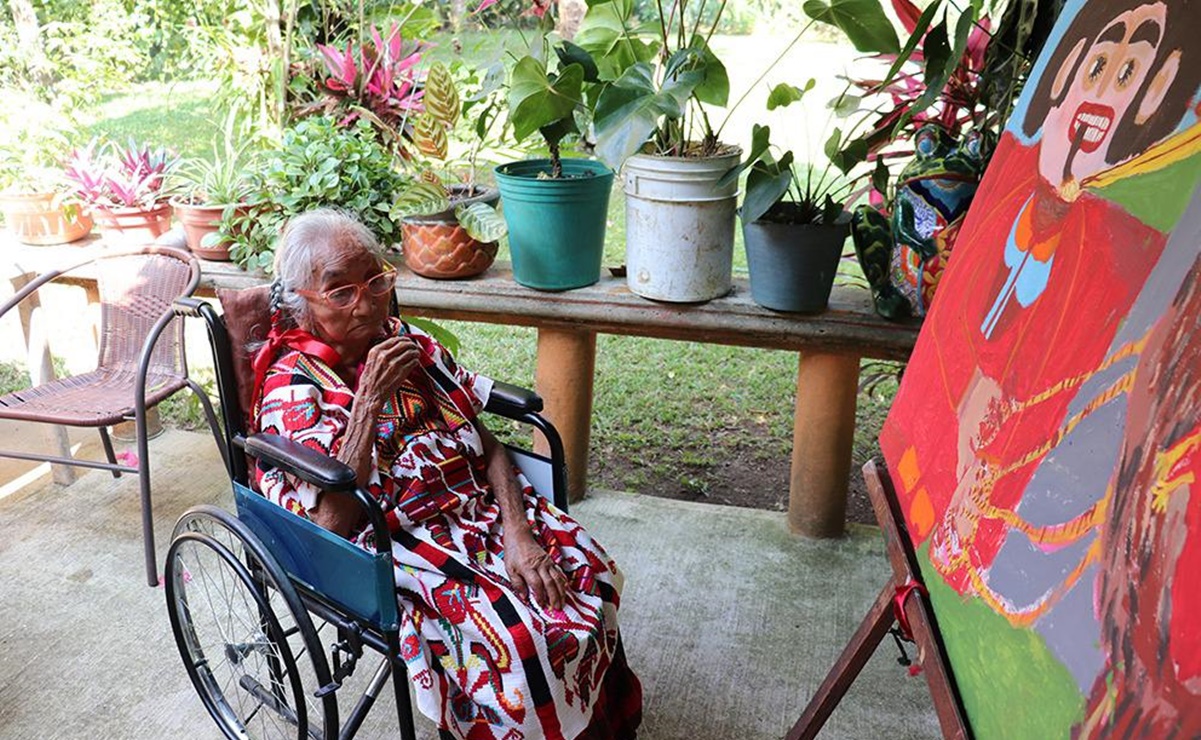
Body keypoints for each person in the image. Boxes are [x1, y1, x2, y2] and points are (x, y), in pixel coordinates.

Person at [250, 208, 642, 740]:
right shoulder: (292, 389)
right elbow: (334, 522)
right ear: (302, 303)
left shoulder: (405, 344)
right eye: (340, 292)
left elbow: (490, 447)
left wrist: (519, 534)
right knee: (517, 640)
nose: (367, 305)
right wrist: (368, 401)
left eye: (376, 281)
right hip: (391, 542)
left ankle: (603, 727)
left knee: (589, 570)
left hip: (480, 511)